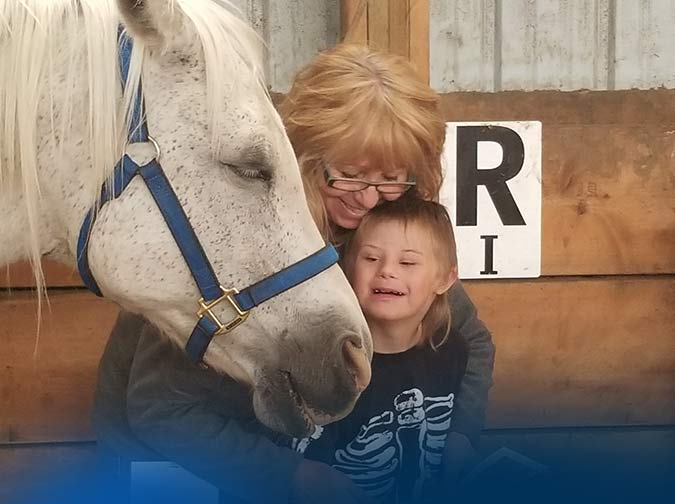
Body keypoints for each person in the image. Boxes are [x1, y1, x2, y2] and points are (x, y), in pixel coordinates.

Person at [93, 43, 495, 504]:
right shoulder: (238, 244)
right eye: (347, 174)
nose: (367, 199)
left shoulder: (379, 240)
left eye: (390, 179)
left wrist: (462, 436)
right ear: (299, 153)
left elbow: (471, 337)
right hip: (171, 465)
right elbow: (161, 411)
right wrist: (292, 476)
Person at [294, 196, 468, 504]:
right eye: (371, 258)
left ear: (445, 279)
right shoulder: (332, 368)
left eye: (408, 262)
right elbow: (308, 478)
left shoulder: (451, 349)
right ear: (349, 270)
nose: (387, 271)